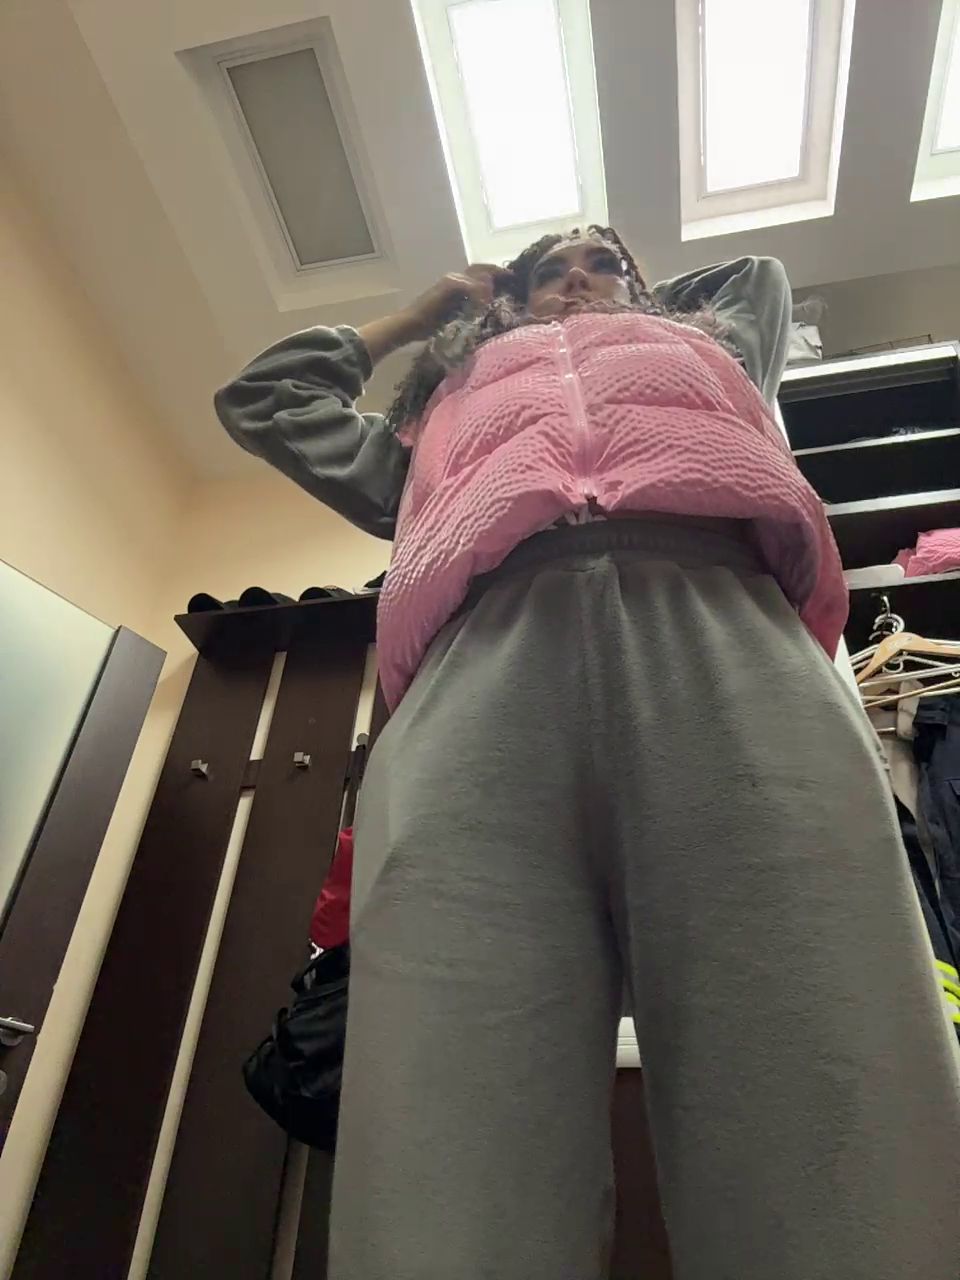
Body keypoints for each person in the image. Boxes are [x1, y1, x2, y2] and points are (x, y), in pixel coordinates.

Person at [216, 227, 960, 1280]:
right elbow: (264, 398)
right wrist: (433, 317)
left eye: (600, 259)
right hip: (480, 656)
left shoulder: (717, 348)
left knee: (827, 1071)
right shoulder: (434, 415)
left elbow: (755, 278)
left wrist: (623, 300)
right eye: (543, 269)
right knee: (447, 1112)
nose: (573, 275)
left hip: (726, 624)